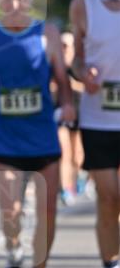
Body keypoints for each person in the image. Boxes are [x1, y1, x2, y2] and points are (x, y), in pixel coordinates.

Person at [0, 0, 75, 268]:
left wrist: (67, 102)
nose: (14, 2)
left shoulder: (46, 33)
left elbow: (62, 78)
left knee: (47, 213)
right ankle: (14, 259)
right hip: (4, 138)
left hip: (42, 137)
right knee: (11, 212)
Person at [69, 0, 120, 268]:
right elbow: (75, 58)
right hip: (98, 117)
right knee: (108, 198)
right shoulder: (81, 5)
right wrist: (80, 72)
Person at [56, 30, 85, 206]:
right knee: (64, 152)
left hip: (80, 113)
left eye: (67, 45)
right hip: (60, 113)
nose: (64, 48)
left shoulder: (78, 66)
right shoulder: (55, 65)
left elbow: (89, 87)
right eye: (62, 45)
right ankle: (65, 189)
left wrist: (72, 84)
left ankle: (76, 180)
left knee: (77, 154)